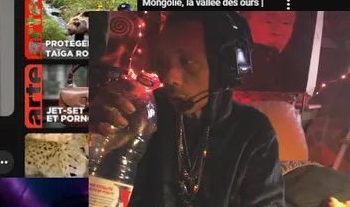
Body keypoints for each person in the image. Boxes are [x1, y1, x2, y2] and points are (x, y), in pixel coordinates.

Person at [93, 11, 284, 206]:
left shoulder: (254, 131)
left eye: (187, 62)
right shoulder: (144, 112)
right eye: (162, 61)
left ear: (225, 68)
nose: (169, 77)